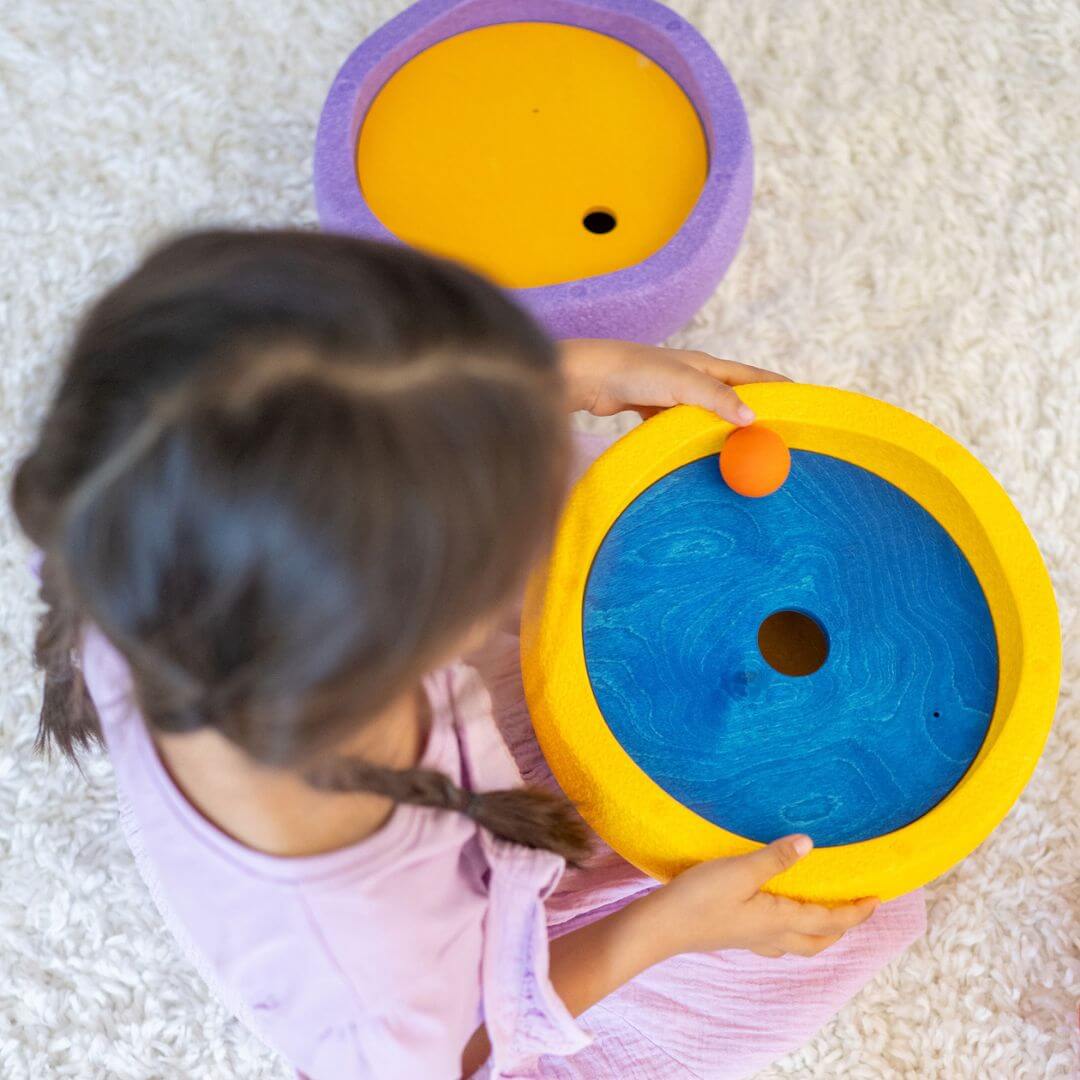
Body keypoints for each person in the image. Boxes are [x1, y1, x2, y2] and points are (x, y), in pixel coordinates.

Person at [13, 229, 925, 1079]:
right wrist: (663, 930)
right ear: (417, 643)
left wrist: (569, 375)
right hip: (474, 973)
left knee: (583, 497)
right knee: (836, 911)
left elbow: (345, 416)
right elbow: (464, 1044)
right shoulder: (368, 963)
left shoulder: (138, 523)